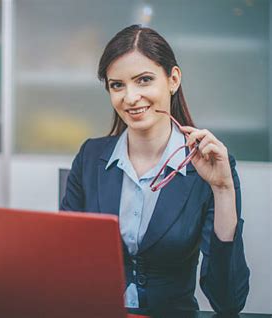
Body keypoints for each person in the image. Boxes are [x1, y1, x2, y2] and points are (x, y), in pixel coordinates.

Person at [60, 25, 250, 315]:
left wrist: (223, 191)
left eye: (144, 80)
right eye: (117, 85)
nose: (131, 97)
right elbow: (64, 262)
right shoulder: (90, 156)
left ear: (173, 79)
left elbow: (228, 302)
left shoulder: (210, 165)